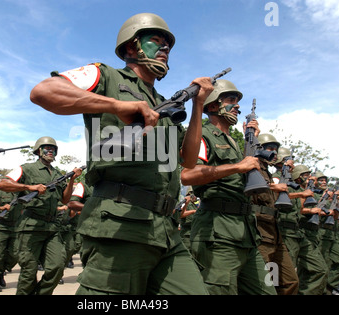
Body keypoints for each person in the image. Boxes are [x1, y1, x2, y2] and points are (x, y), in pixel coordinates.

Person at [30, 12, 212, 295]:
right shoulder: (106, 76)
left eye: (168, 45)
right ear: (131, 47)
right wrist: (117, 106)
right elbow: (44, 92)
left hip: (165, 229)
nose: (165, 48)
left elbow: (187, 162)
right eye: (156, 41)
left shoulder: (164, 105)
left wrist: (198, 106)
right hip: (119, 225)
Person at [181, 79, 277, 295]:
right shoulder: (203, 135)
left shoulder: (233, 141)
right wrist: (237, 166)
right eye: (231, 100)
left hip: (246, 233)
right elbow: (187, 175)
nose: (237, 106)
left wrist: (250, 143)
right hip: (218, 234)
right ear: (214, 105)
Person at [0, 136, 82, 295]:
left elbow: (64, 199)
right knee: (29, 272)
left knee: (57, 267)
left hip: (51, 227)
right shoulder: (27, 168)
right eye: (47, 148)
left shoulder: (57, 173)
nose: (50, 151)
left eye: (53, 149)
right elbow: (2, 184)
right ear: (38, 151)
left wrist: (71, 180)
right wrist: (29, 186)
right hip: (30, 226)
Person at [251, 133, 299, 295]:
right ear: (260, 149)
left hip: (275, 232)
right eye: (270, 148)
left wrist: (286, 178)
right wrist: (273, 186)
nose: (274, 153)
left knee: (289, 281)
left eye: (275, 150)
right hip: (260, 233)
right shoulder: (252, 166)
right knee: (264, 283)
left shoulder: (269, 173)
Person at [282, 165, 328, 295]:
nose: (309, 179)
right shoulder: (289, 188)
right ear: (298, 176)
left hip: (300, 234)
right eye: (306, 175)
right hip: (287, 234)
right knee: (285, 275)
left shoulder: (307, 192)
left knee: (320, 269)